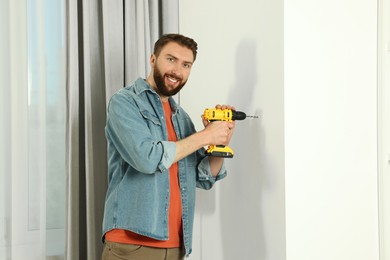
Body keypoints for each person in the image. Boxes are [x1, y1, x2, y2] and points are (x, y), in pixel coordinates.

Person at [101, 33, 235, 260]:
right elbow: (147, 158)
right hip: (132, 244)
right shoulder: (124, 103)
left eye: (186, 65)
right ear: (153, 59)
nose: (177, 71)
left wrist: (218, 143)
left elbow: (202, 178)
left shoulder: (181, 118)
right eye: (171, 59)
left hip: (176, 247)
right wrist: (204, 136)